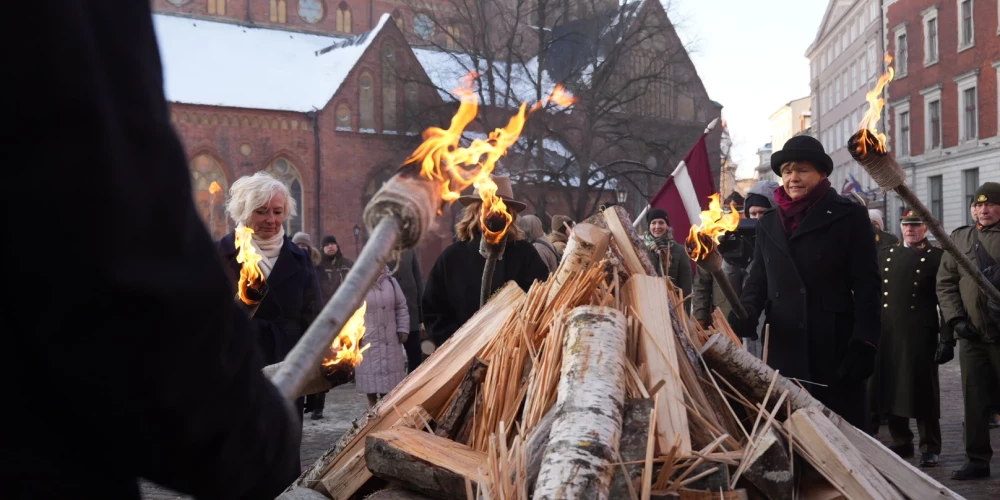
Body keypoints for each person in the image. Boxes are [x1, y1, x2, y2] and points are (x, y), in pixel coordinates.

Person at [8, 2, 299, 497]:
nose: (271, 220)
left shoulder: (298, 259)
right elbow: (117, 237)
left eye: (278, 212)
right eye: (261, 212)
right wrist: (244, 426)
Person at [729, 135, 881, 431]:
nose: (793, 178)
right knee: (792, 437)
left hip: (834, 347)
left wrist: (865, 342)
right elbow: (757, 281)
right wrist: (745, 312)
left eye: (802, 170)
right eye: (787, 171)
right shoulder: (769, 223)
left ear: (821, 174)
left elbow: (868, 285)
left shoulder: (849, 215)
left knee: (842, 440)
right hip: (784, 350)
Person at [423, 176, 549, 346]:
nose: (494, 213)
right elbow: (434, 311)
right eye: (487, 206)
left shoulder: (525, 254)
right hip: (461, 356)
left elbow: (541, 303)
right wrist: (461, 342)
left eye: (500, 207)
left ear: (509, 214)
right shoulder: (452, 257)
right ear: (475, 211)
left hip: (511, 356)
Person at [868, 210, 946, 468]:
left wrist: (947, 337)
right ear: (900, 227)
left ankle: (930, 446)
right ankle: (902, 441)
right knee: (892, 388)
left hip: (920, 333)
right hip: (888, 331)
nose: (910, 229)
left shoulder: (937, 258)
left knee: (923, 389)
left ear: (925, 228)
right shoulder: (886, 255)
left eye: (915, 225)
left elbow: (945, 300)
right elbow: (875, 293)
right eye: (906, 225)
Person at [936, 181, 1000, 480]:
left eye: (989, 204)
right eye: (977, 205)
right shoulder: (961, 238)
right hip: (971, 335)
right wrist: (956, 320)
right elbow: (945, 283)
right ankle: (976, 459)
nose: (983, 210)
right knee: (974, 400)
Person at [693, 180, 777, 356]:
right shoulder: (729, 239)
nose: (757, 219)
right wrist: (730, 258)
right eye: (753, 214)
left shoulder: (779, 240)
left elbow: (760, 282)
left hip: (768, 325)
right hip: (729, 319)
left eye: (762, 213)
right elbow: (709, 283)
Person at [355, 265, 410, 407]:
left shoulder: (391, 282)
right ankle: (372, 416)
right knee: (371, 386)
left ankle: (388, 417)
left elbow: (401, 306)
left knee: (390, 389)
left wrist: (403, 328)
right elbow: (350, 312)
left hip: (390, 339)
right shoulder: (358, 284)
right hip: (368, 340)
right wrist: (355, 337)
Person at [292, 232, 330, 420]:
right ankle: (302, 402)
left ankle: (317, 406)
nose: (302, 249)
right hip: (297, 324)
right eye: (298, 245)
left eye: (304, 246)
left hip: (315, 321)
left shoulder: (318, 268)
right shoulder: (289, 266)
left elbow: (323, 292)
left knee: (318, 365)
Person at [644, 208, 693, 307]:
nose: (657, 227)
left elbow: (686, 287)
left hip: (672, 307)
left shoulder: (679, 251)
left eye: (661, 223)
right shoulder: (640, 250)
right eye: (653, 223)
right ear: (649, 226)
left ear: (667, 226)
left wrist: (685, 316)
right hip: (646, 306)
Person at [389, 248, 425, 372]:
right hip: (389, 312)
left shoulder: (410, 250)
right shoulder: (380, 249)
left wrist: (422, 312)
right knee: (392, 357)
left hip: (411, 311)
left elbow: (418, 279)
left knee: (414, 354)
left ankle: (413, 386)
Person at [319, 235, 354, 301]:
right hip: (324, 304)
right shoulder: (318, 266)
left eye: (332, 244)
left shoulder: (348, 264)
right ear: (323, 248)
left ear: (337, 246)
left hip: (344, 302)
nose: (330, 246)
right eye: (327, 245)